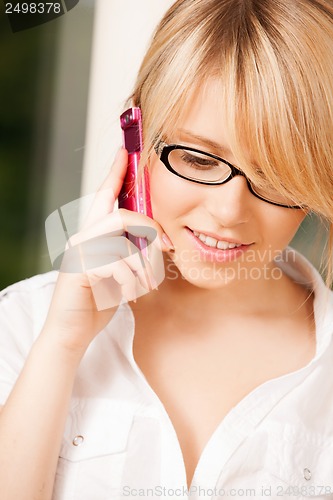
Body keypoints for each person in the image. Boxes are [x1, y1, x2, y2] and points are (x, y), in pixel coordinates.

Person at [1, 0, 333, 499]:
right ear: (136, 133)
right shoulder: (26, 324)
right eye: (199, 159)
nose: (228, 211)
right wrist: (62, 345)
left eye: (276, 176)